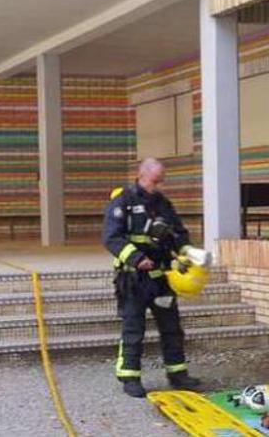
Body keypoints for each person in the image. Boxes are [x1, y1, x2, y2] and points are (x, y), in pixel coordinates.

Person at [102, 158, 203, 398]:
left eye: (161, 181)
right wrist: (136, 258)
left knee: (171, 328)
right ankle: (130, 377)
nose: (158, 186)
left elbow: (179, 234)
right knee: (133, 328)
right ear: (143, 173)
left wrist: (188, 253)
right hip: (134, 279)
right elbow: (111, 238)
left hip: (161, 280)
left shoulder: (163, 204)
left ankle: (177, 374)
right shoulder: (123, 201)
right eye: (156, 180)